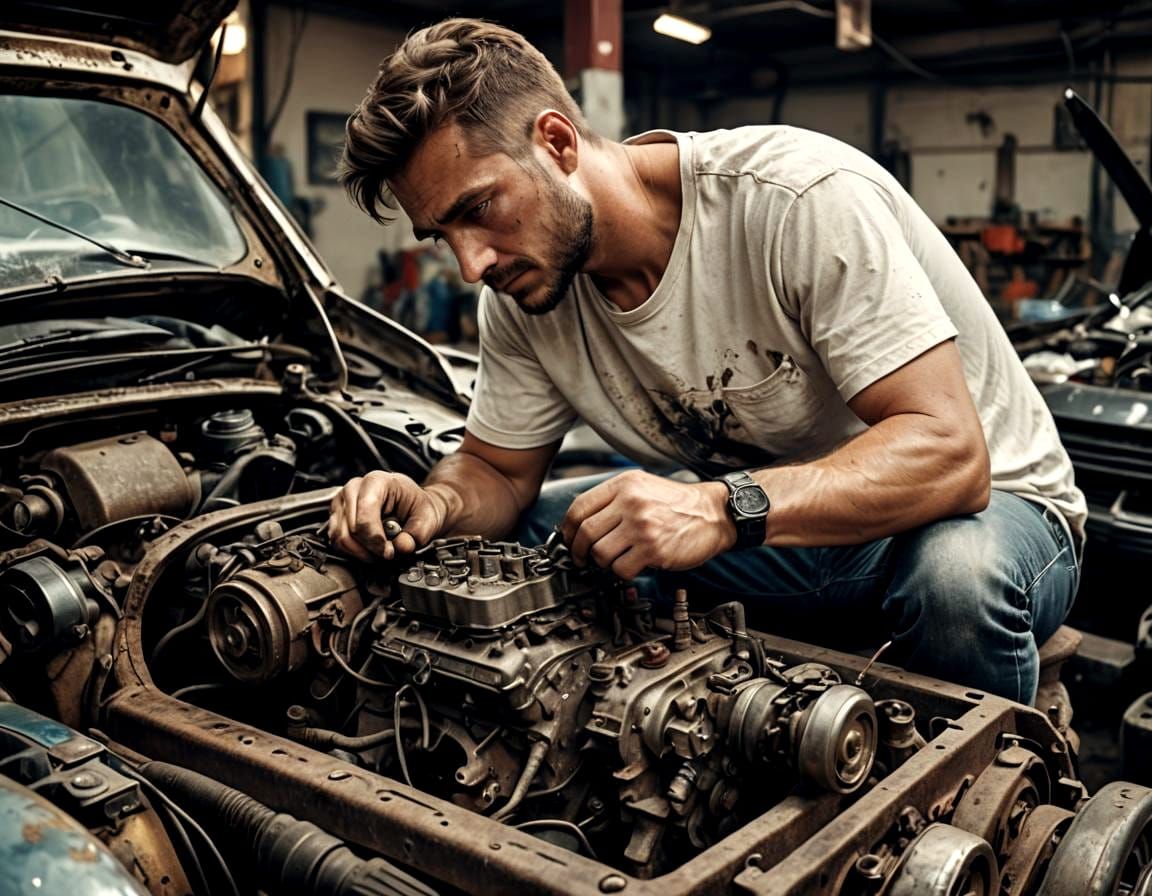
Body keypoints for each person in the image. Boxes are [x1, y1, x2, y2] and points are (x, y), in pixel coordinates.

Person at [329, 18, 1085, 705]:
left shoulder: (794, 200)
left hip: (984, 514)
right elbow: (497, 473)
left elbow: (952, 457)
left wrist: (719, 508)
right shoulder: (525, 295)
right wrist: (435, 505)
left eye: (478, 209)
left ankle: (969, 792)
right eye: (443, 235)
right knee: (549, 531)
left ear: (556, 143)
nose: (471, 264)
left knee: (955, 580)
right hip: (792, 545)